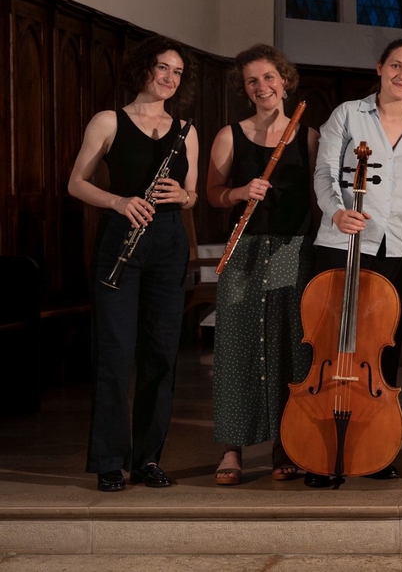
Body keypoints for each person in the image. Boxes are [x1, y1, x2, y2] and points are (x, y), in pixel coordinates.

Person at [67, 35, 200, 492]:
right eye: (162, 68)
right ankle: (108, 460)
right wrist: (119, 201)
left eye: (177, 72)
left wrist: (184, 196)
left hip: (167, 243)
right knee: (115, 353)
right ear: (144, 68)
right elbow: (76, 184)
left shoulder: (187, 130)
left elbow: (192, 194)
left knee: (161, 354)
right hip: (121, 236)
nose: (169, 78)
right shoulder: (109, 120)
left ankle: (147, 459)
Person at [308, 37, 402, 488]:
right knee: (332, 345)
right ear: (379, 68)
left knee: (385, 351)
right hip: (343, 242)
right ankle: (320, 450)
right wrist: (336, 212)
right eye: (396, 66)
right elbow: (324, 172)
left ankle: (376, 449)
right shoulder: (346, 114)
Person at [206, 44, 319, 486]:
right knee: (236, 346)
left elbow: (316, 203)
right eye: (252, 80)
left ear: (285, 80)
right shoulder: (228, 135)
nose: (262, 87)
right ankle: (232, 447)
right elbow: (214, 193)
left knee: (292, 345)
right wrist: (237, 194)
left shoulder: (309, 137)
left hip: (294, 248)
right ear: (244, 88)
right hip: (245, 249)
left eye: (269, 77)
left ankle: (284, 443)